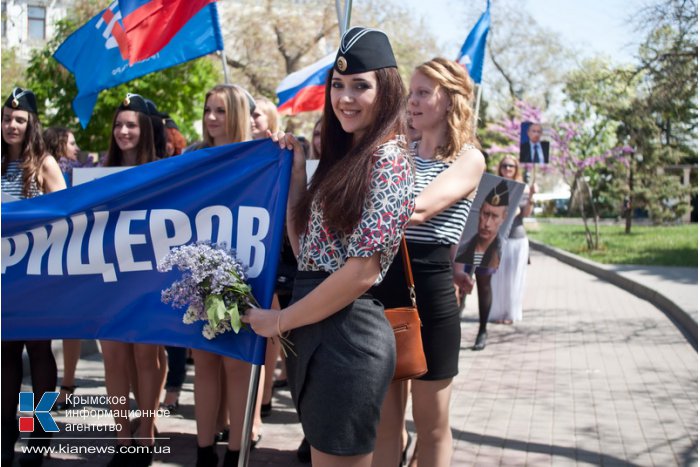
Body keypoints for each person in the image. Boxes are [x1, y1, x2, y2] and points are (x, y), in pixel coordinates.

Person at [242, 27, 414, 467]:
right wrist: (297, 175)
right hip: (316, 328)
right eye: (337, 85)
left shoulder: (389, 160)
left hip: (349, 338)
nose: (346, 98)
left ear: (387, 90)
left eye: (361, 85)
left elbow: (360, 273)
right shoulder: (347, 158)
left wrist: (279, 319)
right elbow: (309, 258)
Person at [372, 57, 485, 467]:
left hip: (430, 297)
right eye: (411, 93)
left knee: (431, 423)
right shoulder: (395, 150)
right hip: (382, 290)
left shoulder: (469, 159)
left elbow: (417, 210)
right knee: (384, 424)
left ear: (450, 100)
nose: (412, 102)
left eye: (423, 93)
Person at [191, 84, 261, 467]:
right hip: (199, 276)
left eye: (220, 110)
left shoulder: (259, 158)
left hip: (246, 275)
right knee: (203, 363)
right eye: (207, 109)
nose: (212, 118)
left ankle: (236, 452)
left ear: (236, 114)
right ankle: (203, 452)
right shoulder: (193, 157)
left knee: (236, 366)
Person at [1, 87, 67, 467]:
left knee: (39, 352)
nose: (11, 125)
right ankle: (7, 433)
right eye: (7, 118)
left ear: (31, 124)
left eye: (19, 119)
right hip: (3, 277)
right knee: (6, 353)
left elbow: (65, 214)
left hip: (37, 272)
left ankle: (39, 431)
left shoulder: (44, 164)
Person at [101, 93, 163, 467]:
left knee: (145, 356)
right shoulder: (98, 173)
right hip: (107, 278)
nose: (123, 131)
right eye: (119, 125)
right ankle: (122, 436)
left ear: (144, 131)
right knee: (113, 357)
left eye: (131, 125)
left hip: (148, 277)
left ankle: (148, 431)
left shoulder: (162, 170)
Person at [42, 126, 83, 411]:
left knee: (71, 326)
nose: (77, 147)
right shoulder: (44, 167)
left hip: (70, 256)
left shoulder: (79, 173)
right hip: (44, 260)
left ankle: (67, 384)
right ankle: (29, 418)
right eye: (72, 142)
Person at [461, 180, 511, 351]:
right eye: (485, 214)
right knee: (458, 286)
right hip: (466, 253)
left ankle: (482, 331)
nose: (487, 223)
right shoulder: (464, 246)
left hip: (487, 256)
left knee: (484, 285)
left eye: (494, 216)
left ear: (503, 218)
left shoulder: (494, 252)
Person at [489, 156, 534, 324]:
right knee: (497, 278)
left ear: (516, 169)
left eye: (511, 166)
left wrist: (532, 197)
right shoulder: (494, 186)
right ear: (500, 168)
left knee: (514, 278)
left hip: (517, 238)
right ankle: (497, 313)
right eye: (505, 165)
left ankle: (511, 313)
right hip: (498, 239)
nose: (508, 169)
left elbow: (526, 213)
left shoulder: (523, 189)